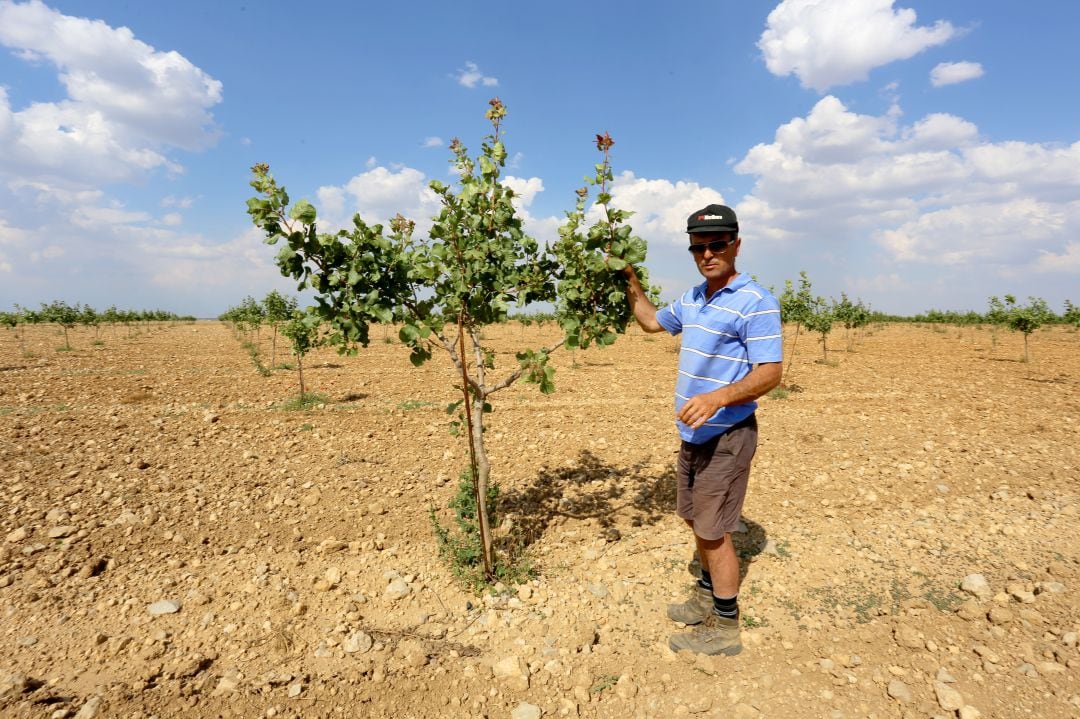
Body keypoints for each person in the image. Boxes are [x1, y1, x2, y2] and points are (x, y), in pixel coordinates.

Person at [624, 203, 782, 656]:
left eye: (717, 244)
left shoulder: (756, 302)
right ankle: (705, 593)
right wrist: (629, 279)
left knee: (714, 532)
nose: (708, 254)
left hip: (728, 435)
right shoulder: (694, 298)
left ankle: (725, 625)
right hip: (692, 435)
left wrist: (716, 398)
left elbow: (770, 373)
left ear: (736, 243)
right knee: (696, 519)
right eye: (699, 247)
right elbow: (653, 322)